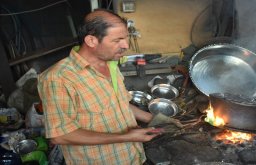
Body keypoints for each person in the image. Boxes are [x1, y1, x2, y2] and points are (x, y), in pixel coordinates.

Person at [37, 9, 162, 165]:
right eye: (118, 40)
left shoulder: (110, 64)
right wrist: (127, 137)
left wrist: (156, 120)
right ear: (91, 41)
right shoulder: (58, 78)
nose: (126, 45)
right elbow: (61, 135)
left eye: (126, 38)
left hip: (133, 156)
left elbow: (120, 104)